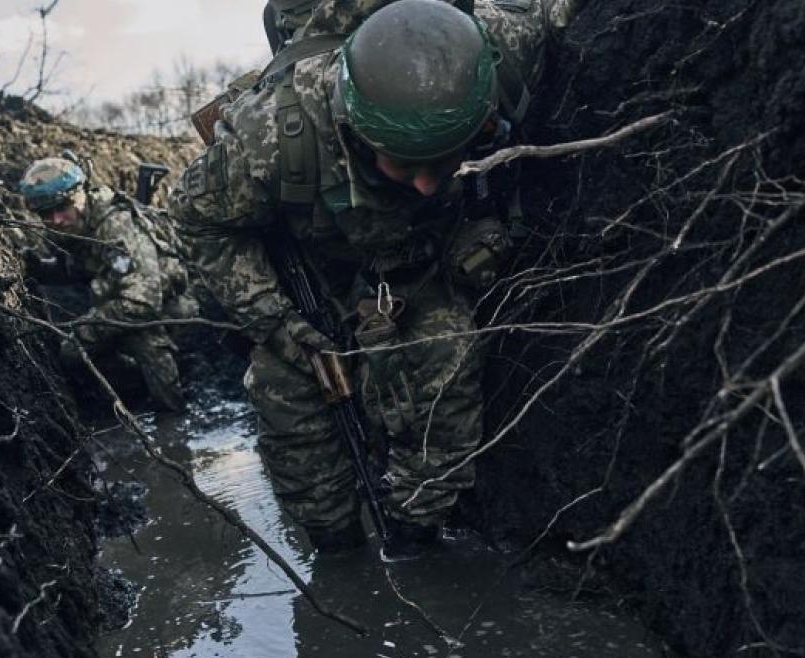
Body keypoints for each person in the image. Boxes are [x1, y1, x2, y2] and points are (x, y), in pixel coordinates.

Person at [173, 0, 569, 558]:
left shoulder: (500, 54)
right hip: (315, 276)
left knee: (447, 363)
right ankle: (335, 552)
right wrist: (283, 327)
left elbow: (557, 12)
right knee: (291, 411)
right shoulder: (272, 137)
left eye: (446, 160)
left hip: (422, 266)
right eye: (406, 165)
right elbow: (198, 223)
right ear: (353, 130)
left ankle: (414, 539)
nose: (429, 185)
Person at [19, 156, 195, 412]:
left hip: (174, 308)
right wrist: (39, 268)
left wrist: (85, 329)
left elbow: (143, 302)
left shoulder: (115, 226)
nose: (55, 220)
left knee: (142, 338)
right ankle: (134, 389)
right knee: (74, 353)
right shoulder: (73, 226)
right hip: (123, 304)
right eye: (45, 213)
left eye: (62, 207)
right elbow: (78, 269)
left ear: (80, 195)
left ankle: (173, 414)